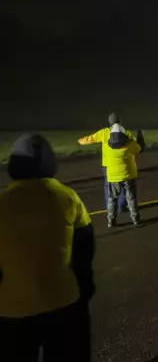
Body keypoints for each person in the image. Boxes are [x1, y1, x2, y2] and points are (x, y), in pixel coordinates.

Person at [0, 134, 95, 361]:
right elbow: (85, 248)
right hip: (63, 299)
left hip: (12, 307)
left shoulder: (3, 202)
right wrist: (85, 286)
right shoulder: (67, 197)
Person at [77, 113, 137, 218]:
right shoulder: (126, 133)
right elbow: (136, 144)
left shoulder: (104, 133)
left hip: (107, 165)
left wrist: (80, 140)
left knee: (109, 187)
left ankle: (111, 208)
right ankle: (122, 206)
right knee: (125, 186)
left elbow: (90, 139)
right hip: (125, 164)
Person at [105, 123, 142, 228]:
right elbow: (139, 148)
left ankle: (110, 220)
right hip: (128, 175)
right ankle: (135, 218)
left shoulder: (108, 147)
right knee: (131, 197)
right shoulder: (129, 145)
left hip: (113, 176)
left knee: (112, 198)